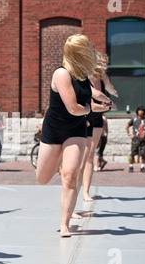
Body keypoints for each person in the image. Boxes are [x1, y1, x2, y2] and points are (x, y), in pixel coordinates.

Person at [35, 34, 111, 237]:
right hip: (54, 129)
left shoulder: (83, 76)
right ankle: (58, 157)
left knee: (69, 176)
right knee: (42, 179)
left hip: (76, 130)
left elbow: (88, 102)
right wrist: (91, 108)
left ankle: (65, 223)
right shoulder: (61, 74)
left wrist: (104, 101)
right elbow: (74, 108)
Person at [79, 51, 117, 202]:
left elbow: (106, 95)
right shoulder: (86, 78)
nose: (106, 66)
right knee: (82, 156)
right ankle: (74, 185)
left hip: (97, 119)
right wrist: (108, 106)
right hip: (85, 117)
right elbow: (93, 105)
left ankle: (86, 192)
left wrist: (108, 103)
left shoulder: (103, 79)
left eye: (107, 63)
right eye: (103, 64)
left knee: (90, 155)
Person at [126, 105, 145, 172]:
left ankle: (142, 166)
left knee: (143, 153)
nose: (140, 112)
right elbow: (127, 127)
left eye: (142, 111)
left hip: (143, 140)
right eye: (139, 110)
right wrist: (130, 135)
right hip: (135, 139)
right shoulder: (134, 119)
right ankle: (131, 166)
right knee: (132, 153)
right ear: (137, 111)